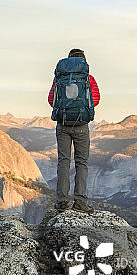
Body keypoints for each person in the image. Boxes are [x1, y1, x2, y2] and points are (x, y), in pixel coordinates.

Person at [48, 48, 100, 213]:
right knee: (81, 163)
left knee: (63, 162)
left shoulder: (60, 78)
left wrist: (66, 110)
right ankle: (80, 202)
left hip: (62, 124)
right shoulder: (87, 78)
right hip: (81, 126)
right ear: (83, 62)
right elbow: (96, 99)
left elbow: (51, 99)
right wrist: (80, 109)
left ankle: (62, 201)